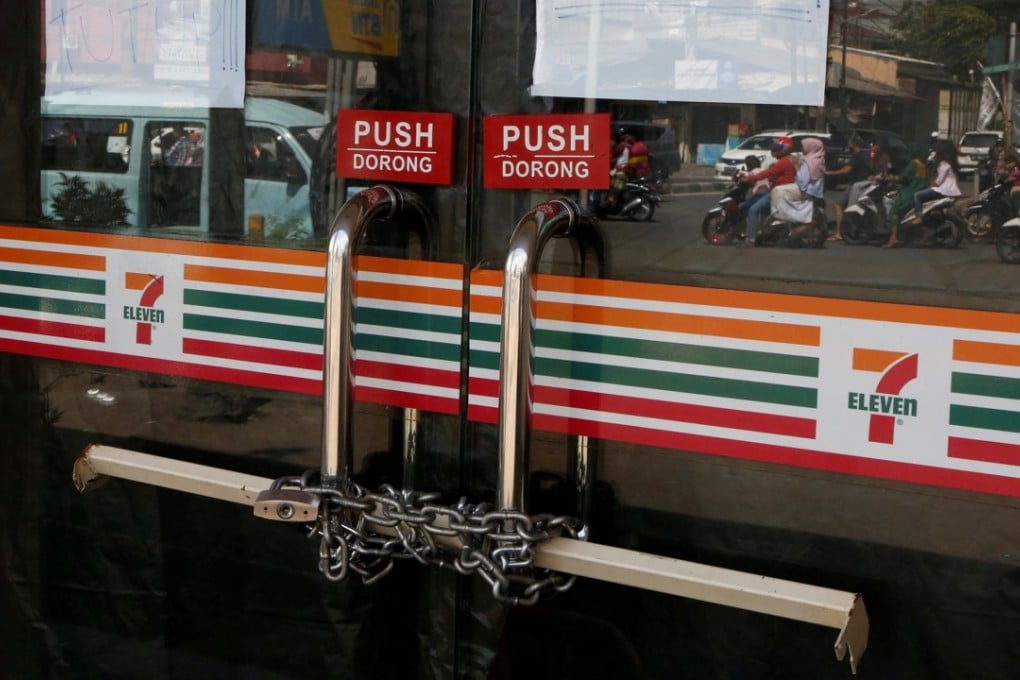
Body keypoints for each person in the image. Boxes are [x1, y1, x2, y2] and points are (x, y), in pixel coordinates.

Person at [735, 136, 796, 246]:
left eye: (777, 147)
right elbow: (771, 175)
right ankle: (762, 233)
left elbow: (767, 173)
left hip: (778, 193)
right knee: (760, 210)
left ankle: (751, 240)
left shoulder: (783, 162)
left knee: (753, 210)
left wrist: (749, 179)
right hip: (780, 191)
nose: (774, 149)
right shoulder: (787, 161)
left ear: (785, 149)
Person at [902, 138, 961, 233]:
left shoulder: (943, 164)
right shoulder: (952, 163)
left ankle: (919, 217)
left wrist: (931, 186)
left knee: (917, 196)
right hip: (951, 191)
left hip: (944, 190)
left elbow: (939, 181)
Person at [825, 135, 874, 241]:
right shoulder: (864, 155)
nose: (848, 145)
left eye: (850, 143)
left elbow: (847, 169)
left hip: (857, 185)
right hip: (862, 184)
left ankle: (839, 232)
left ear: (853, 144)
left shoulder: (857, 156)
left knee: (839, 204)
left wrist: (830, 173)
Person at [882, 143, 930, 247]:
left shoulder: (914, 163)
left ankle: (893, 237)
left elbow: (903, 177)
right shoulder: (923, 164)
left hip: (910, 193)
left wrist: (891, 178)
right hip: (921, 191)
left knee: (894, 211)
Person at [771, 136, 826, 225]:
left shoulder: (808, 162)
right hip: (814, 191)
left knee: (778, 191)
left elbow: (802, 183)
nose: (801, 149)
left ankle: (782, 217)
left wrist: (796, 166)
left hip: (806, 191)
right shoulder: (818, 159)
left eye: (803, 146)